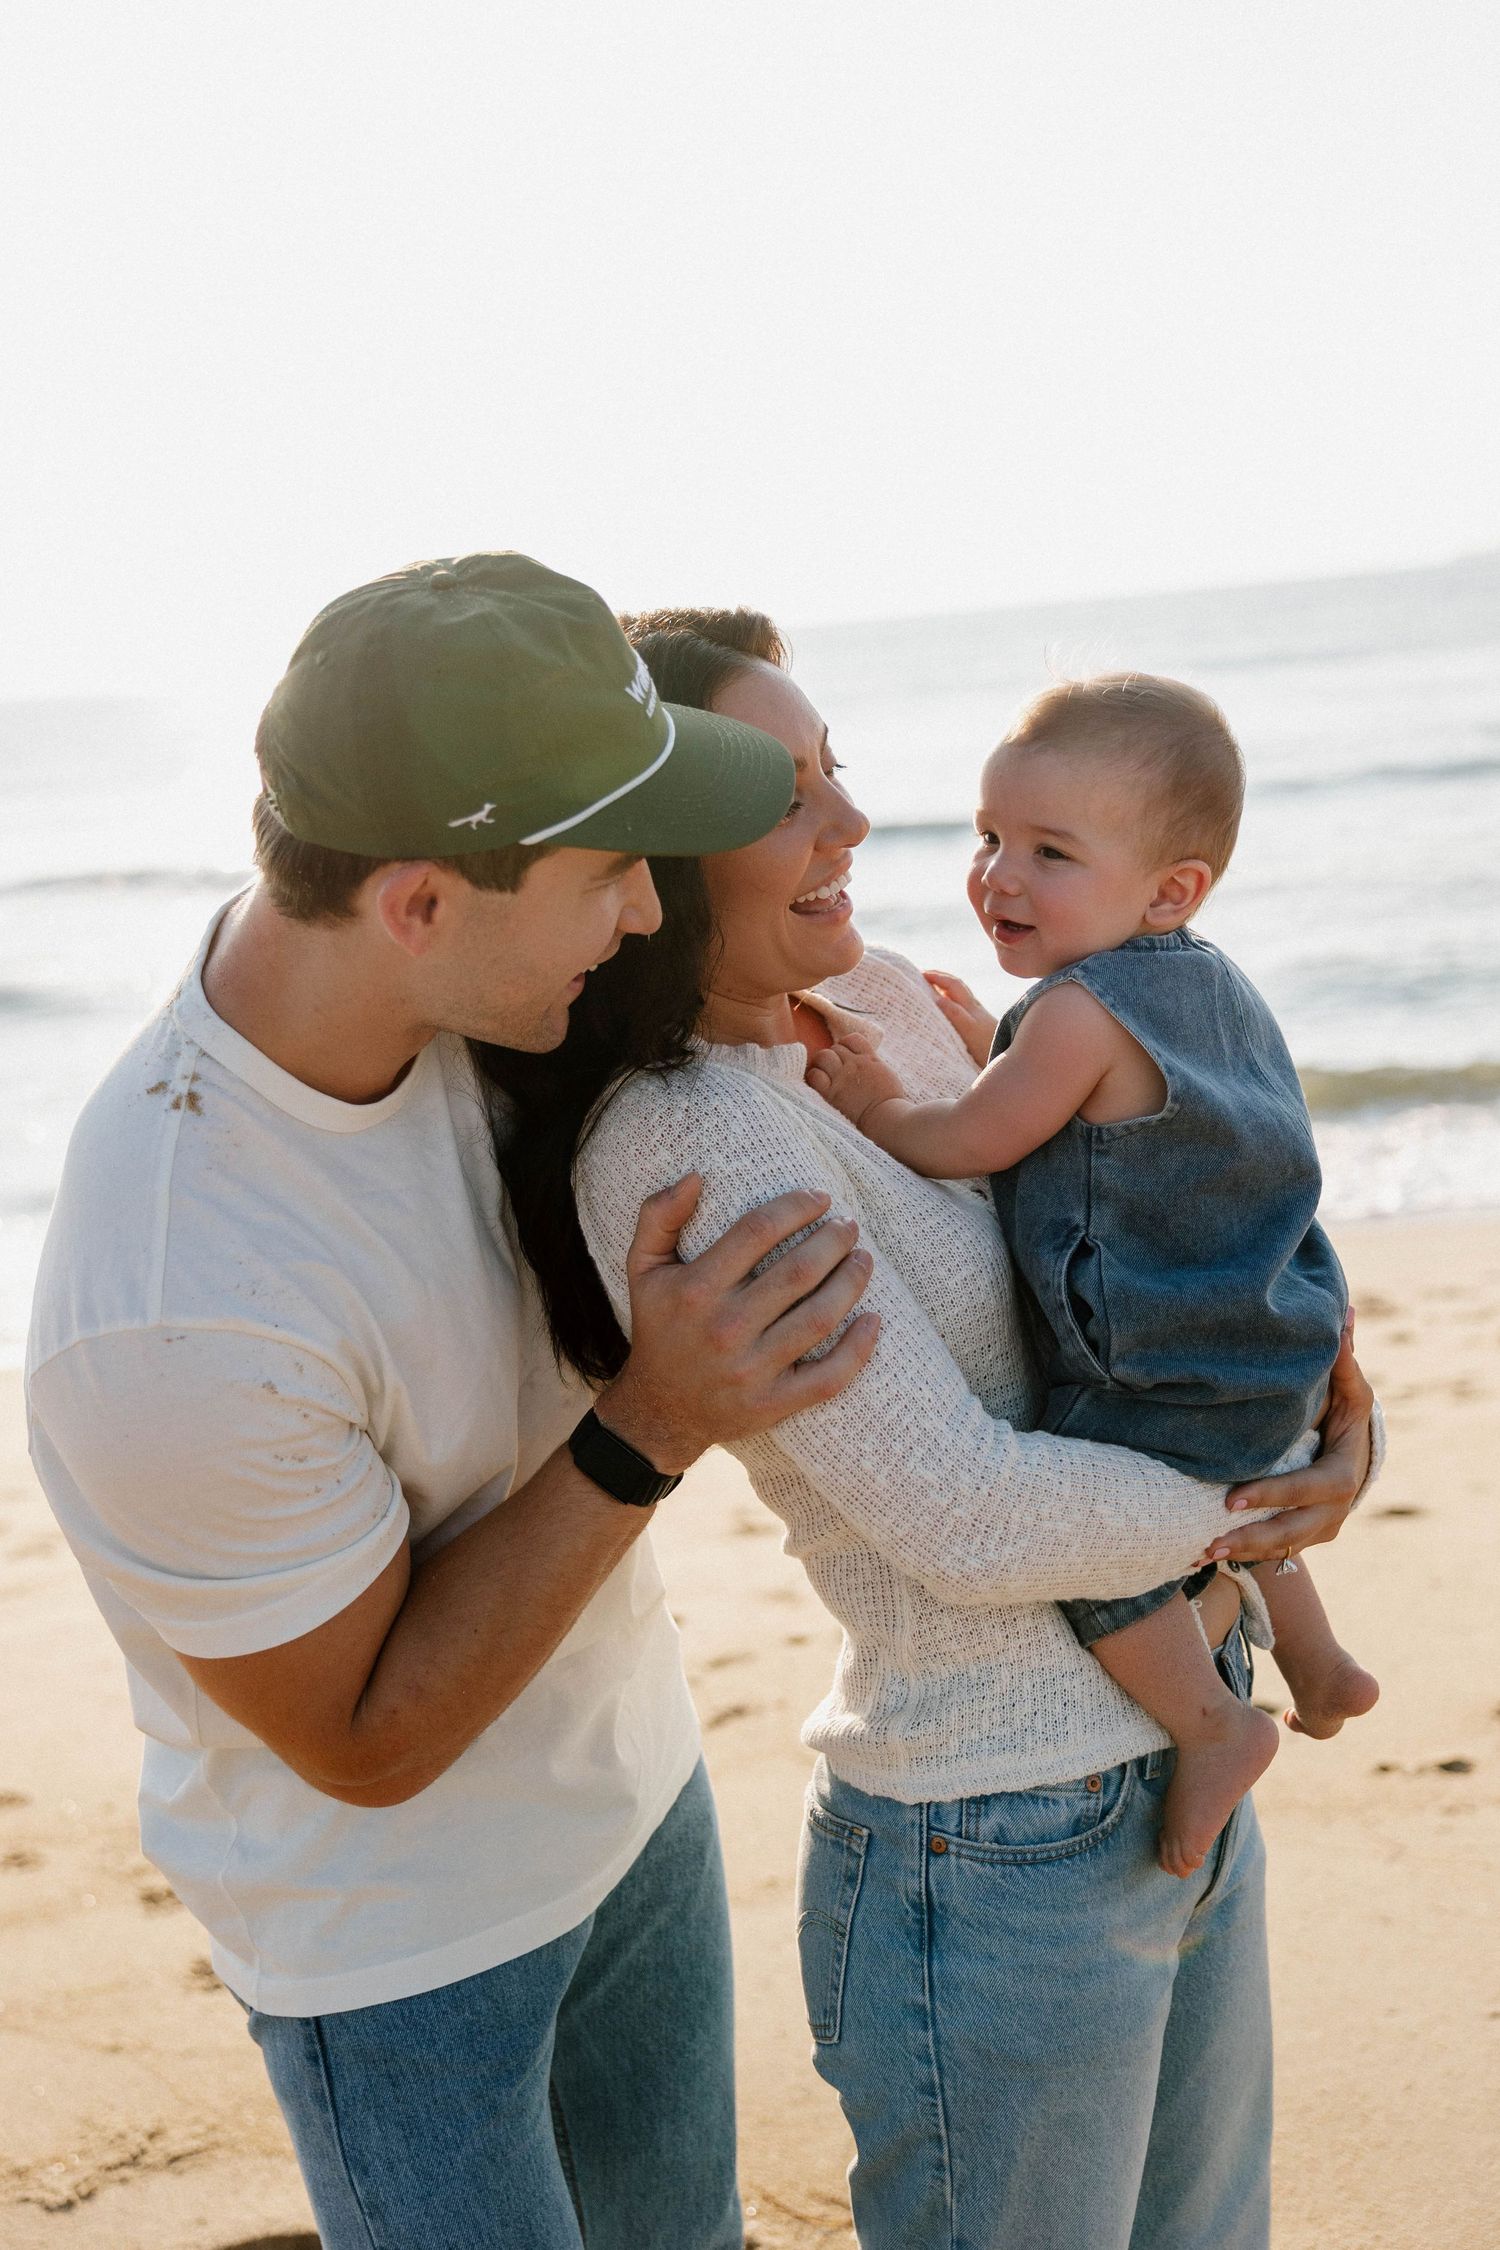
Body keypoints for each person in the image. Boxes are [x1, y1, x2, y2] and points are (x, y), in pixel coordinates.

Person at [481, 606, 1380, 2250]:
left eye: (839, 770)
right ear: (657, 854)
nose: (851, 824)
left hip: (1182, 1733)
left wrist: (1322, 1408)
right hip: (995, 1844)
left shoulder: (898, 1002)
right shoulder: (691, 1145)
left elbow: (1169, 1219)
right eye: (786, 793)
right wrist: (1262, 1505)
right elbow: (961, 1519)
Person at [24, 554, 883, 2250]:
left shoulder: (505, 993)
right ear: (420, 901)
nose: (649, 913)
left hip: (636, 1803)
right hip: (400, 1951)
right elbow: (366, 1738)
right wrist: (654, 1418)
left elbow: (811, 984)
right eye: (616, 873)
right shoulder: (173, 1305)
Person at [807, 671, 1379, 1876]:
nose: (999, 876)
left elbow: (973, 1139)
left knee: (1095, 1551)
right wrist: (995, 1047)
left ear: (1171, 887)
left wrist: (881, 1101)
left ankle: (1215, 1724)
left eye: (1051, 852)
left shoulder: (1072, 1013)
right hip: (1273, 1349)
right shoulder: (1214, 983)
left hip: (1155, 1370)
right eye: (988, 836)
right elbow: (1115, 1126)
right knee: (1256, 1491)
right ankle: (1318, 1664)